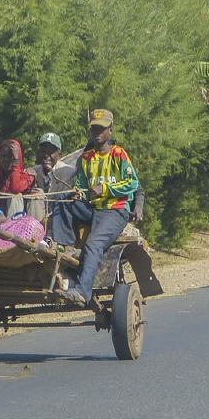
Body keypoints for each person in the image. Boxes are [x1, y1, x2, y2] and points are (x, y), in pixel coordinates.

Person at [50, 109, 140, 305]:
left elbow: (132, 184)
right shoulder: (85, 159)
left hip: (115, 210)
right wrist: (78, 194)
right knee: (63, 200)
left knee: (93, 244)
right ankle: (64, 246)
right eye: (94, 128)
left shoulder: (118, 154)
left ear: (110, 131)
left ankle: (83, 292)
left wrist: (104, 189)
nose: (97, 132)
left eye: (101, 128)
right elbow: (82, 187)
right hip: (92, 210)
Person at [0, 139, 37, 215]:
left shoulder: (27, 176)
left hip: (22, 218)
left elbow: (15, 188)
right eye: (3, 156)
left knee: (16, 196)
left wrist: (15, 163)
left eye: (10, 156)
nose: (6, 159)